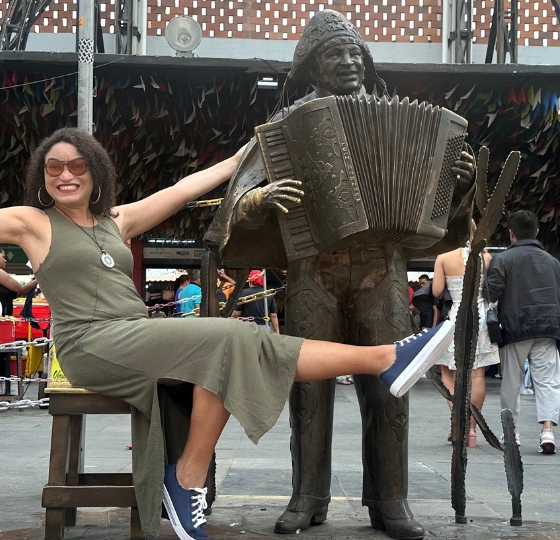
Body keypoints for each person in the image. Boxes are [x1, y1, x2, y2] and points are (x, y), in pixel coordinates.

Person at [0, 127, 456, 539]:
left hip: (136, 331)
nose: (65, 176)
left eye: (77, 168)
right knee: (229, 340)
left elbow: (180, 189)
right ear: (43, 174)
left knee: (231, 349)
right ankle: (380, 360)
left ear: (95, 172)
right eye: (54, 168)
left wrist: (236, 160)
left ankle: (188, 481)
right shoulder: (30, 225)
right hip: (90, 345)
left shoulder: (116, 221)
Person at [203, 10, 476, 538]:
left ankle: (390, 500)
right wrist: (259, 199)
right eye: (335, 55)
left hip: (384, 271)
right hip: (314, 273)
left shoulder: (398, 118)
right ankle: (307, 495)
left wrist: (458, 185)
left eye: (355, 54)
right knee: (309, 389)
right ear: (311, 68)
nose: (348, 63)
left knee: (390, 384)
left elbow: (439, 220)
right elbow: (236, 201)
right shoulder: (288, 126)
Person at [486, 210, 560, 454]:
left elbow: (491, 293)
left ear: (511, 234)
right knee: (549, 382)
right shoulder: (553, 261)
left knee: (512, 382)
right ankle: (547, 431)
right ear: (537, 232)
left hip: (515, 327)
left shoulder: (503, 259)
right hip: (549, 327)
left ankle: (511, 432)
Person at [432, 244, 500, 447]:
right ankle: (471, 429)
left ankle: (457, 422)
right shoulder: (486, 258)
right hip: (480, 318)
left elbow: (436, 291)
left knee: (447, 370)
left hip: (455, 318)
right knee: (477, 373)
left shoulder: (443, 257)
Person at [0, 244, 38, 398]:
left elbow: (10, 295)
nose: (5, 260)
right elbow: (20, 288)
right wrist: (37, 280)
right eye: (3, 256)